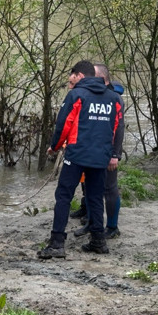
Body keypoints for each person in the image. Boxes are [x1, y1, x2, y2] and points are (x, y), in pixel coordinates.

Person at [38, 60, 122, 259]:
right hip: (100, 156)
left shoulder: (76, 95)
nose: (70, 81)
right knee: (94, 197)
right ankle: (98, 241)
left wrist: (55, 146)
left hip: (76, 155)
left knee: (64, 196)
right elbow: (117, 128)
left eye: (71, 77)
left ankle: (57, 243)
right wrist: (112, 154)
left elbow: (64, 123)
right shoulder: (114, 99)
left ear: (79, 75)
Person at [72, 64, 125, 239]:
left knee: (110, 189)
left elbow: (119, 129)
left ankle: (112, 227)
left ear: (101, 77)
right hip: (90, 151)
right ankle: (92, 222)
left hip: (107, 152)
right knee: (88, 187)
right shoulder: (89, 94)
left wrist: (114, 154)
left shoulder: (114, 97)